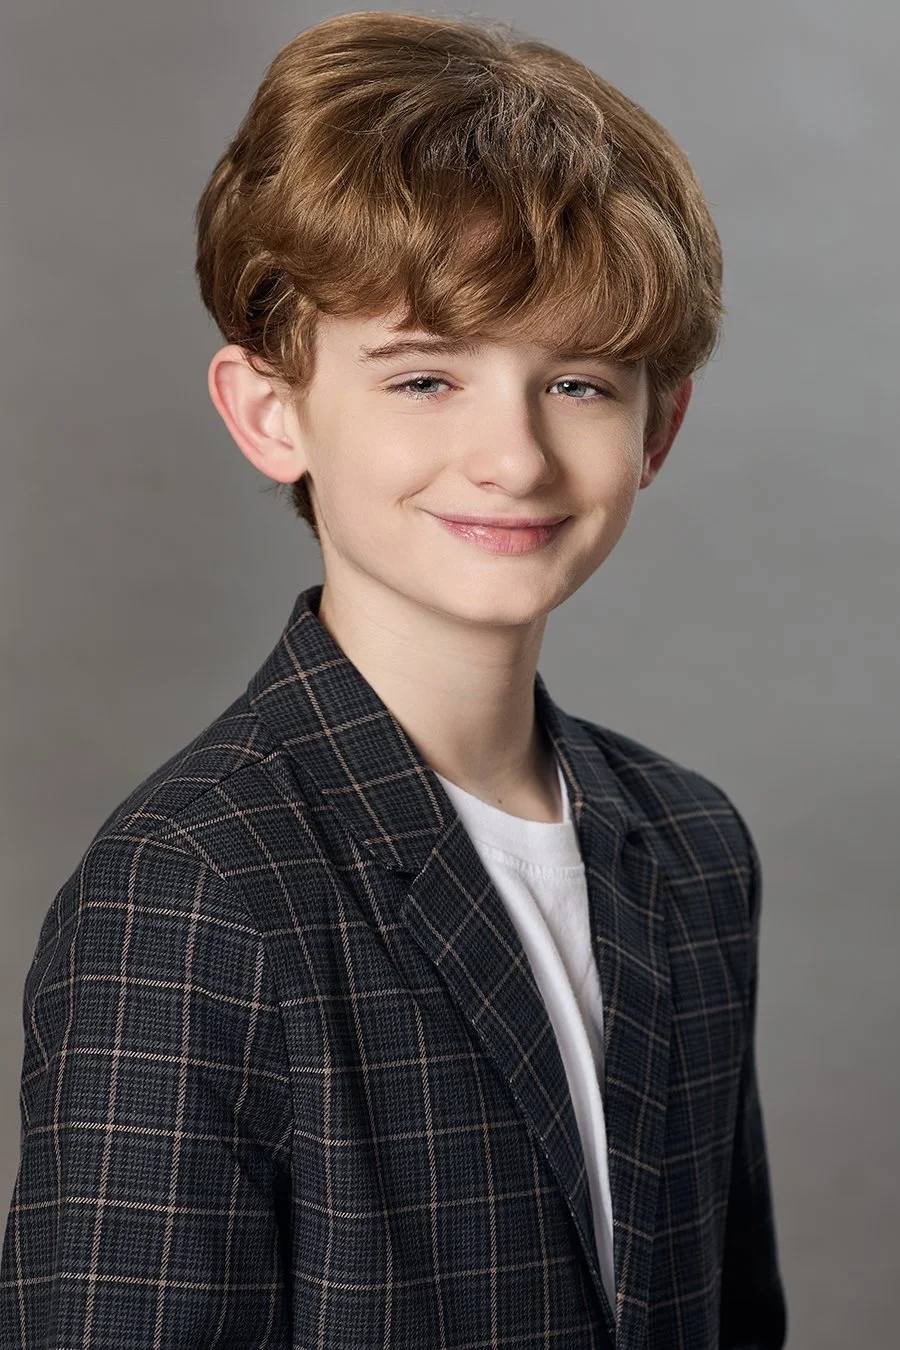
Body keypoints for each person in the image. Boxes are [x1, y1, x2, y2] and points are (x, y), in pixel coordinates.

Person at [0, 10, 788, 1347]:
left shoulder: (695, 847)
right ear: (272, 411)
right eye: (424, 379)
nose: (514, 458)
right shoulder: (194, 889)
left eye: (579, 384)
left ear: (661, 423)